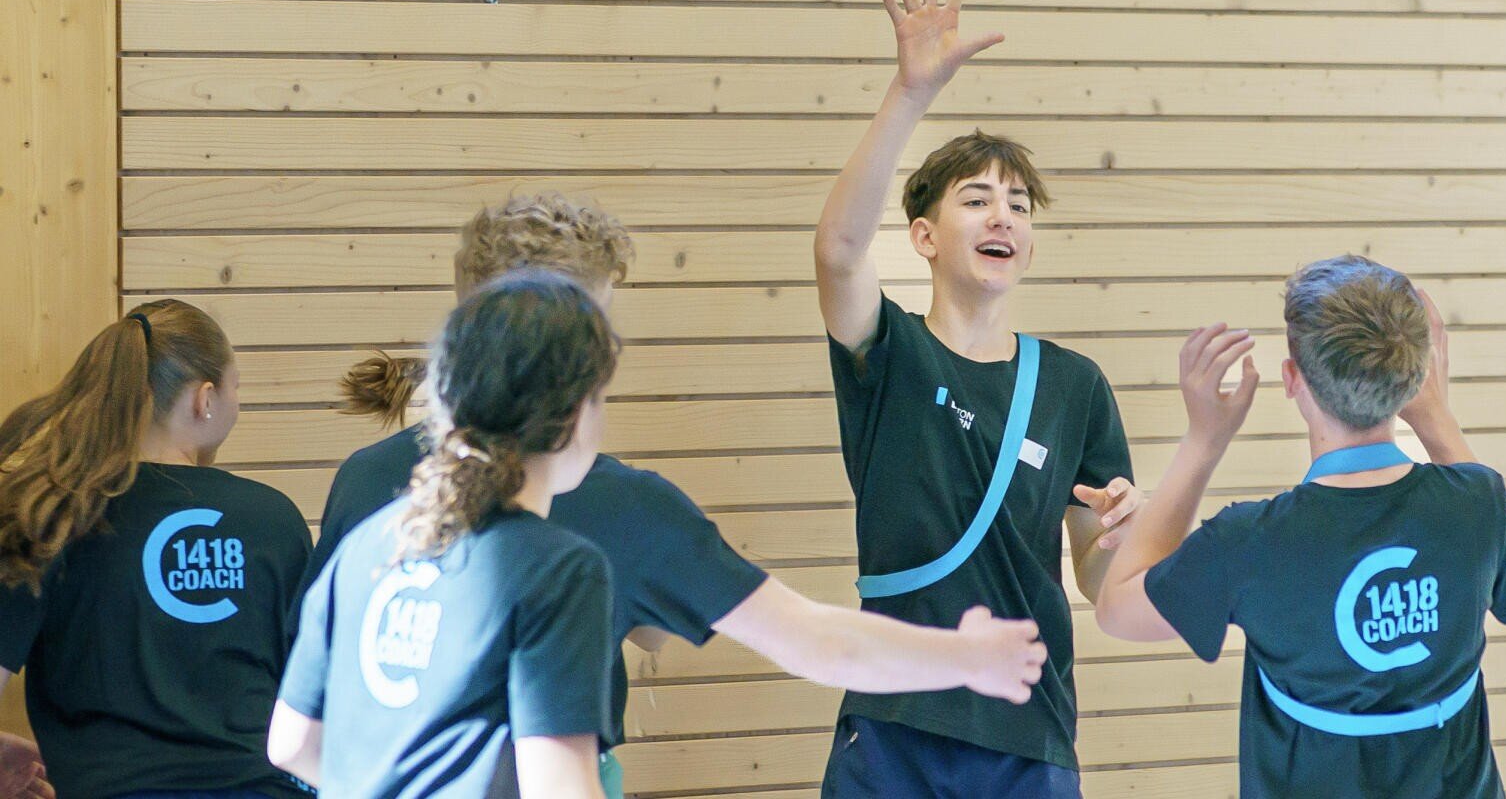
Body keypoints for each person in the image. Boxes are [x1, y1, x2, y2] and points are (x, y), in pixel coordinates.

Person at [309, 194, 1049, 797]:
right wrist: (962, 656)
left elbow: (299, 738)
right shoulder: (615, 515)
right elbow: (818, 640)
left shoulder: (369, 489)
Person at [812, 0, 1142, 796]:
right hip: (893, 724)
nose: (1003, 215)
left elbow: (1100, 585)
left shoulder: (1075, 386)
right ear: (923, 236)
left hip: (1025, 733)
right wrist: (911, 91)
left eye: (1019, 206)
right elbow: (838, 251)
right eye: (975, 199)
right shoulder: (888, 354)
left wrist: (1116, 537)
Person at [1096, 256, 1506, 798]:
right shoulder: (1477, 502)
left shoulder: (1251, 539)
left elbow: (1118, 611)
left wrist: (1203, 441)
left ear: (1293, 379)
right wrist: (1435, 417)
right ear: (1415, 374)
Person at [269, 270, 620, 799]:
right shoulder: (560, 570)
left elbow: (291, 744)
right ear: (574, 413)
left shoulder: (367, 543)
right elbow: (561, 789)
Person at [0, 300, 311, 799]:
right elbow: (312, 704)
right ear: (204, 399)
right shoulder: (274, 518)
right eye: (236, 388)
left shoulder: (50, 512)